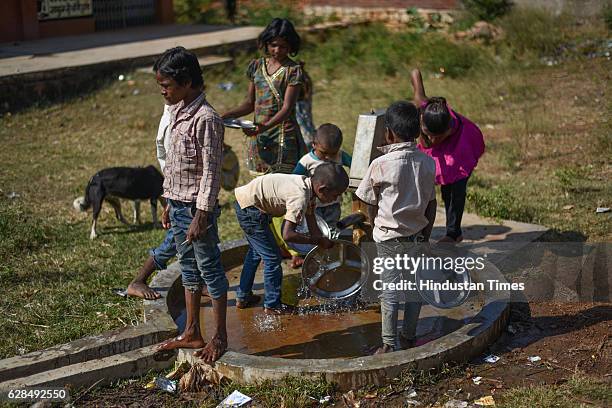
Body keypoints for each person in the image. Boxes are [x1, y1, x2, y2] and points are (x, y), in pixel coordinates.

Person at [153, 47, 228, 364]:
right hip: (178, 204)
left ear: (186, 82)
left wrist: (202, 215)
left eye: (166, 85)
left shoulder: (206, 119)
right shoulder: (176, 112)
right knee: (188, 271)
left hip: (198, 211)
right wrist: (169, 202)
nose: (163, 92)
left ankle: (220, 336)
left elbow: (211, 172)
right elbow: (173, 163)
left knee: (210, 270)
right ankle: (192, 331)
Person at [355, 101, 437, 354]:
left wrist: (373, 222)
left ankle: (389, 344)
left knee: (389, 292)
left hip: (388, 238)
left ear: (388, 132)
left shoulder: (380, 164)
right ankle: (409, 335)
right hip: (416, 235)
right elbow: (431, 203)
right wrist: (426, 234)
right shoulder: (427, 162)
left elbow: (367, 200)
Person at [233, 163, 348, 314]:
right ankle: (272, 305)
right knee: (273, 258)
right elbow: (288, 235)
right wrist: (316, 241)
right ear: (323, 189)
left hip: (252, 205)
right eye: (335, 195)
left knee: (255, 253)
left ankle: (243, 296)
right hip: (250, 210)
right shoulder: (299, 196)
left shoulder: (309, 189)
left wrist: (320, 241)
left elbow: (311, 220)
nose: (336, 199)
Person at [221, 18, 306, 175]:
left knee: (281, 185)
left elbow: (287, 108)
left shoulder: (293, 71)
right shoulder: (256, 66)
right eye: (274, 45)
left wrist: (263, 127)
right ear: (266, 43)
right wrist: (228, 115)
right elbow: (249, 103)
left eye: (283, 46)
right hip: (259, 136)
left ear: (291, 47)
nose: (277, 50)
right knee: (260, 185)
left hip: (282, 136)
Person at [410, 69, 485, 243]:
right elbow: (416, 78)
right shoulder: (422, 107)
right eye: (428, 134)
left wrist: (430, 140)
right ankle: (422, 228)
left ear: (447, 130)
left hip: (460, 149)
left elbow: (434, 142)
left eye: (437, 136)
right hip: (441, 144)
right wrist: (416, 76)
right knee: (435, 188)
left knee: (454, 192)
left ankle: (453, 233)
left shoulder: (452, 128)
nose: (432, 139)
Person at [293, 123, 352, 228]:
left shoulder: (340, 156)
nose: (328, 157)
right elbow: (294, 180)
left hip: (334, 204)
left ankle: (331, 243)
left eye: (333, 153)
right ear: (314, 144)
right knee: (315, 228)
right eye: (324, 153)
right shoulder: (306, 161)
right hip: (313, 206)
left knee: (332, 229)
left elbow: (356, 165)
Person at [295, 61, 316, 146]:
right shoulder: (299, 76)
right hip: (298, 104)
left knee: (305, 122)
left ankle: (309, 140)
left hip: (303, 103)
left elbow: (308, 91)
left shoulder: (304, 76)